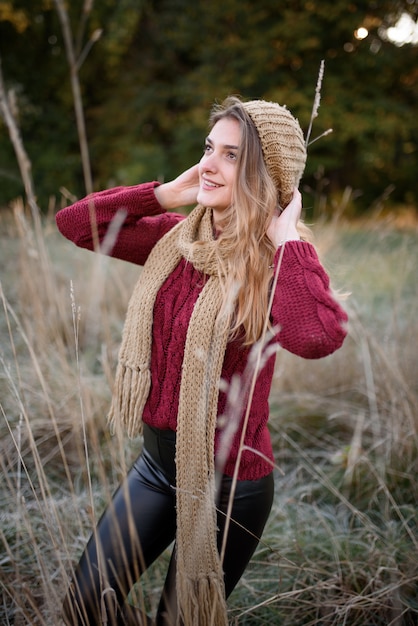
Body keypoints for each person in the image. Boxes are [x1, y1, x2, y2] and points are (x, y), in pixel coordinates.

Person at [56, 95, 348, 626]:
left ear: (267, 176)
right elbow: (75, 224)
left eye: (232, 156)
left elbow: (318, 337)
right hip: (156, 468)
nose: (209, 163)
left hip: (229, 487)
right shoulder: (178, 243)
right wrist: (165, 194)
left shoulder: (273, 264)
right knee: (85, 602)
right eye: (209, 148)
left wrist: (285, 242)